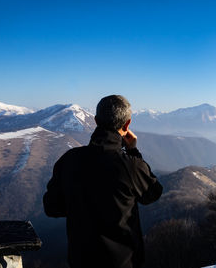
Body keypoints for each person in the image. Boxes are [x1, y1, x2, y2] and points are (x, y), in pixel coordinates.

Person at [43, 95, 163, 268]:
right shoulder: (130, 166)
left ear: (96, 121)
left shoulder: (69, 160)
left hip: (81, 261)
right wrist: (133, 152)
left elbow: (52, 207)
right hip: (124, 262)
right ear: (127, 124)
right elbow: (152, 194)